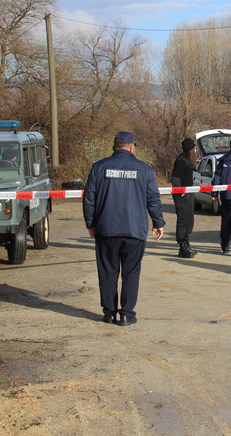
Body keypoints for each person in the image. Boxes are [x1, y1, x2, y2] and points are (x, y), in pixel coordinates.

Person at [82, 131, 165, 326]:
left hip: (106, 229)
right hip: (134, 230)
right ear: (131, 147)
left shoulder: (99, 167)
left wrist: (91, 224)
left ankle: (109, 312)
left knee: (108, 272)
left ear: (114, 147)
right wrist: (158, 222)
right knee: (131, 272)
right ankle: (127, 314)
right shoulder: (144, 170)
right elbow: (153, 198)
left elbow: (89, 199)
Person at [171, 137, 198, 258]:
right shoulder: (182, 161)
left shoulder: (188, 160)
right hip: (182, 196)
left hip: (188, 195)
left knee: (189, 221)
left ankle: (186, 244)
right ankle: (182, 246)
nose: (196, 150)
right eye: (194, 147)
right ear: (191, 149)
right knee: (183, 221)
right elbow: (175, 179)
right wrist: (181, 190)